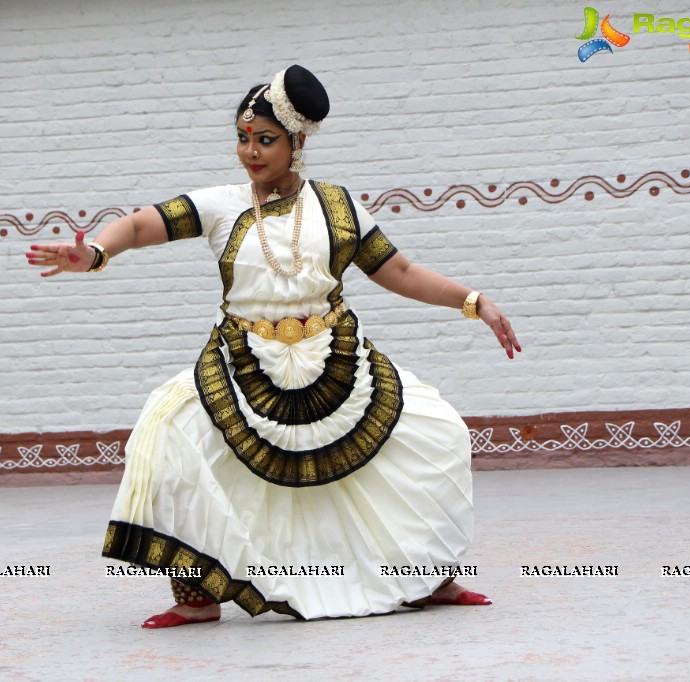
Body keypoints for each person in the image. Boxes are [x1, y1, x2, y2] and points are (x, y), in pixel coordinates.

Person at [26, 65, 521, 628]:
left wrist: (473, 300)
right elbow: (141, 225)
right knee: (168, 431)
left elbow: (399, 270)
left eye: (265, 140)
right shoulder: (222, 204)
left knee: (434, 432)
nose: (250, 153)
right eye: (243, 139)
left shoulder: (339, 207)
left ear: (297, 142)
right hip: (244, 362)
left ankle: (428, 577)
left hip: (335, 360)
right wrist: (93, 252)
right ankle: (197, 594)